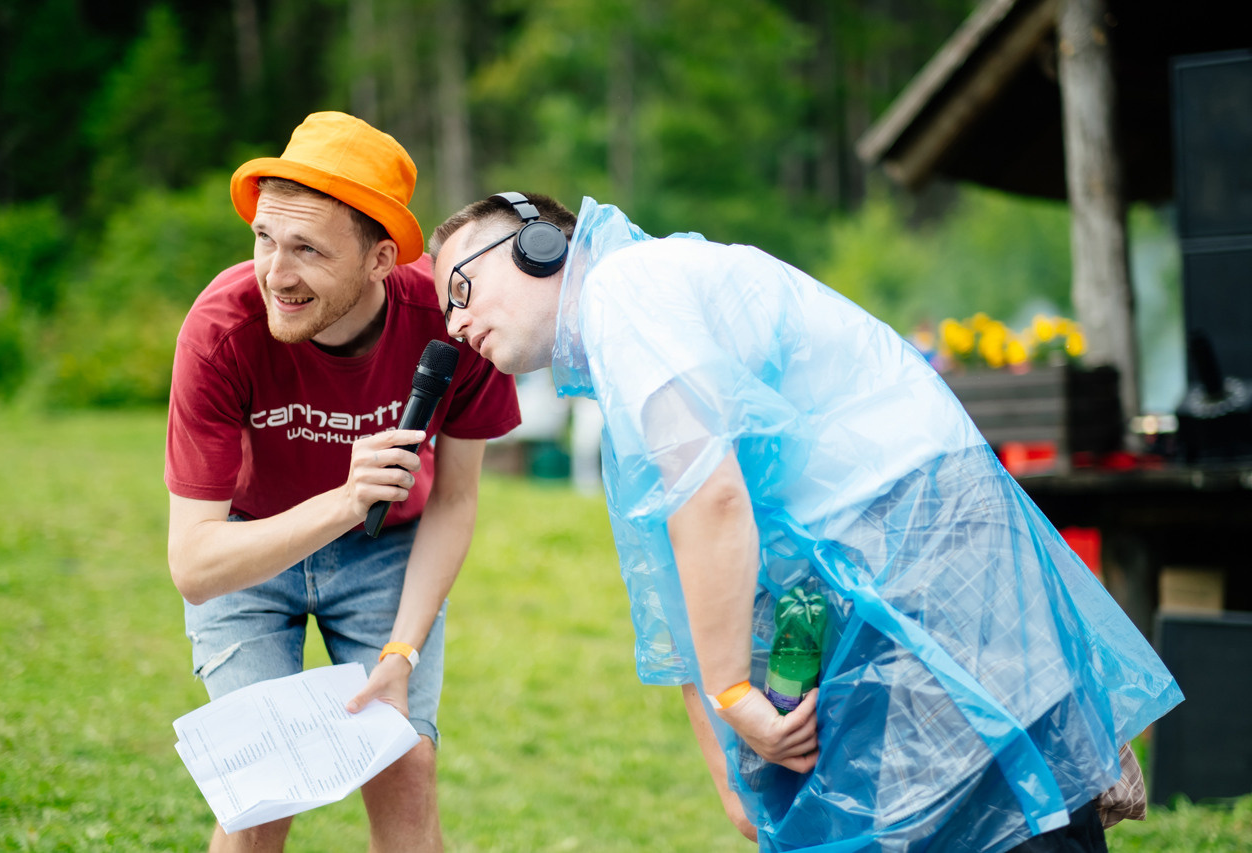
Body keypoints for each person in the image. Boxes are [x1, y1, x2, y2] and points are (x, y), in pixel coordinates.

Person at [426, 192, 1183, 852]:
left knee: (998, 815)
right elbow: (675, 568)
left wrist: (732, 695)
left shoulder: (626, 289)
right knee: (951, 815)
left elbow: (710, 501)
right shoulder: (627, 329)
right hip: (875, 556)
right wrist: (727, 755)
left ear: (537, 245)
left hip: (912, 534)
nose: (455, 323)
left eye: (462, 286)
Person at [164, 113, 521, 852]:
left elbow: (454, 501)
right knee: (263, 787)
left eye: (307, 249)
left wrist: (400, 655)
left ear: (380, 257)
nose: (275, 272)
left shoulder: (451, 325)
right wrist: (342, 500)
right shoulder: (221, 330)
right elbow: (195, 567)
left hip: (389, 552)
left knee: (406, 764)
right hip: (249, 552)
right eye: (264, 238)